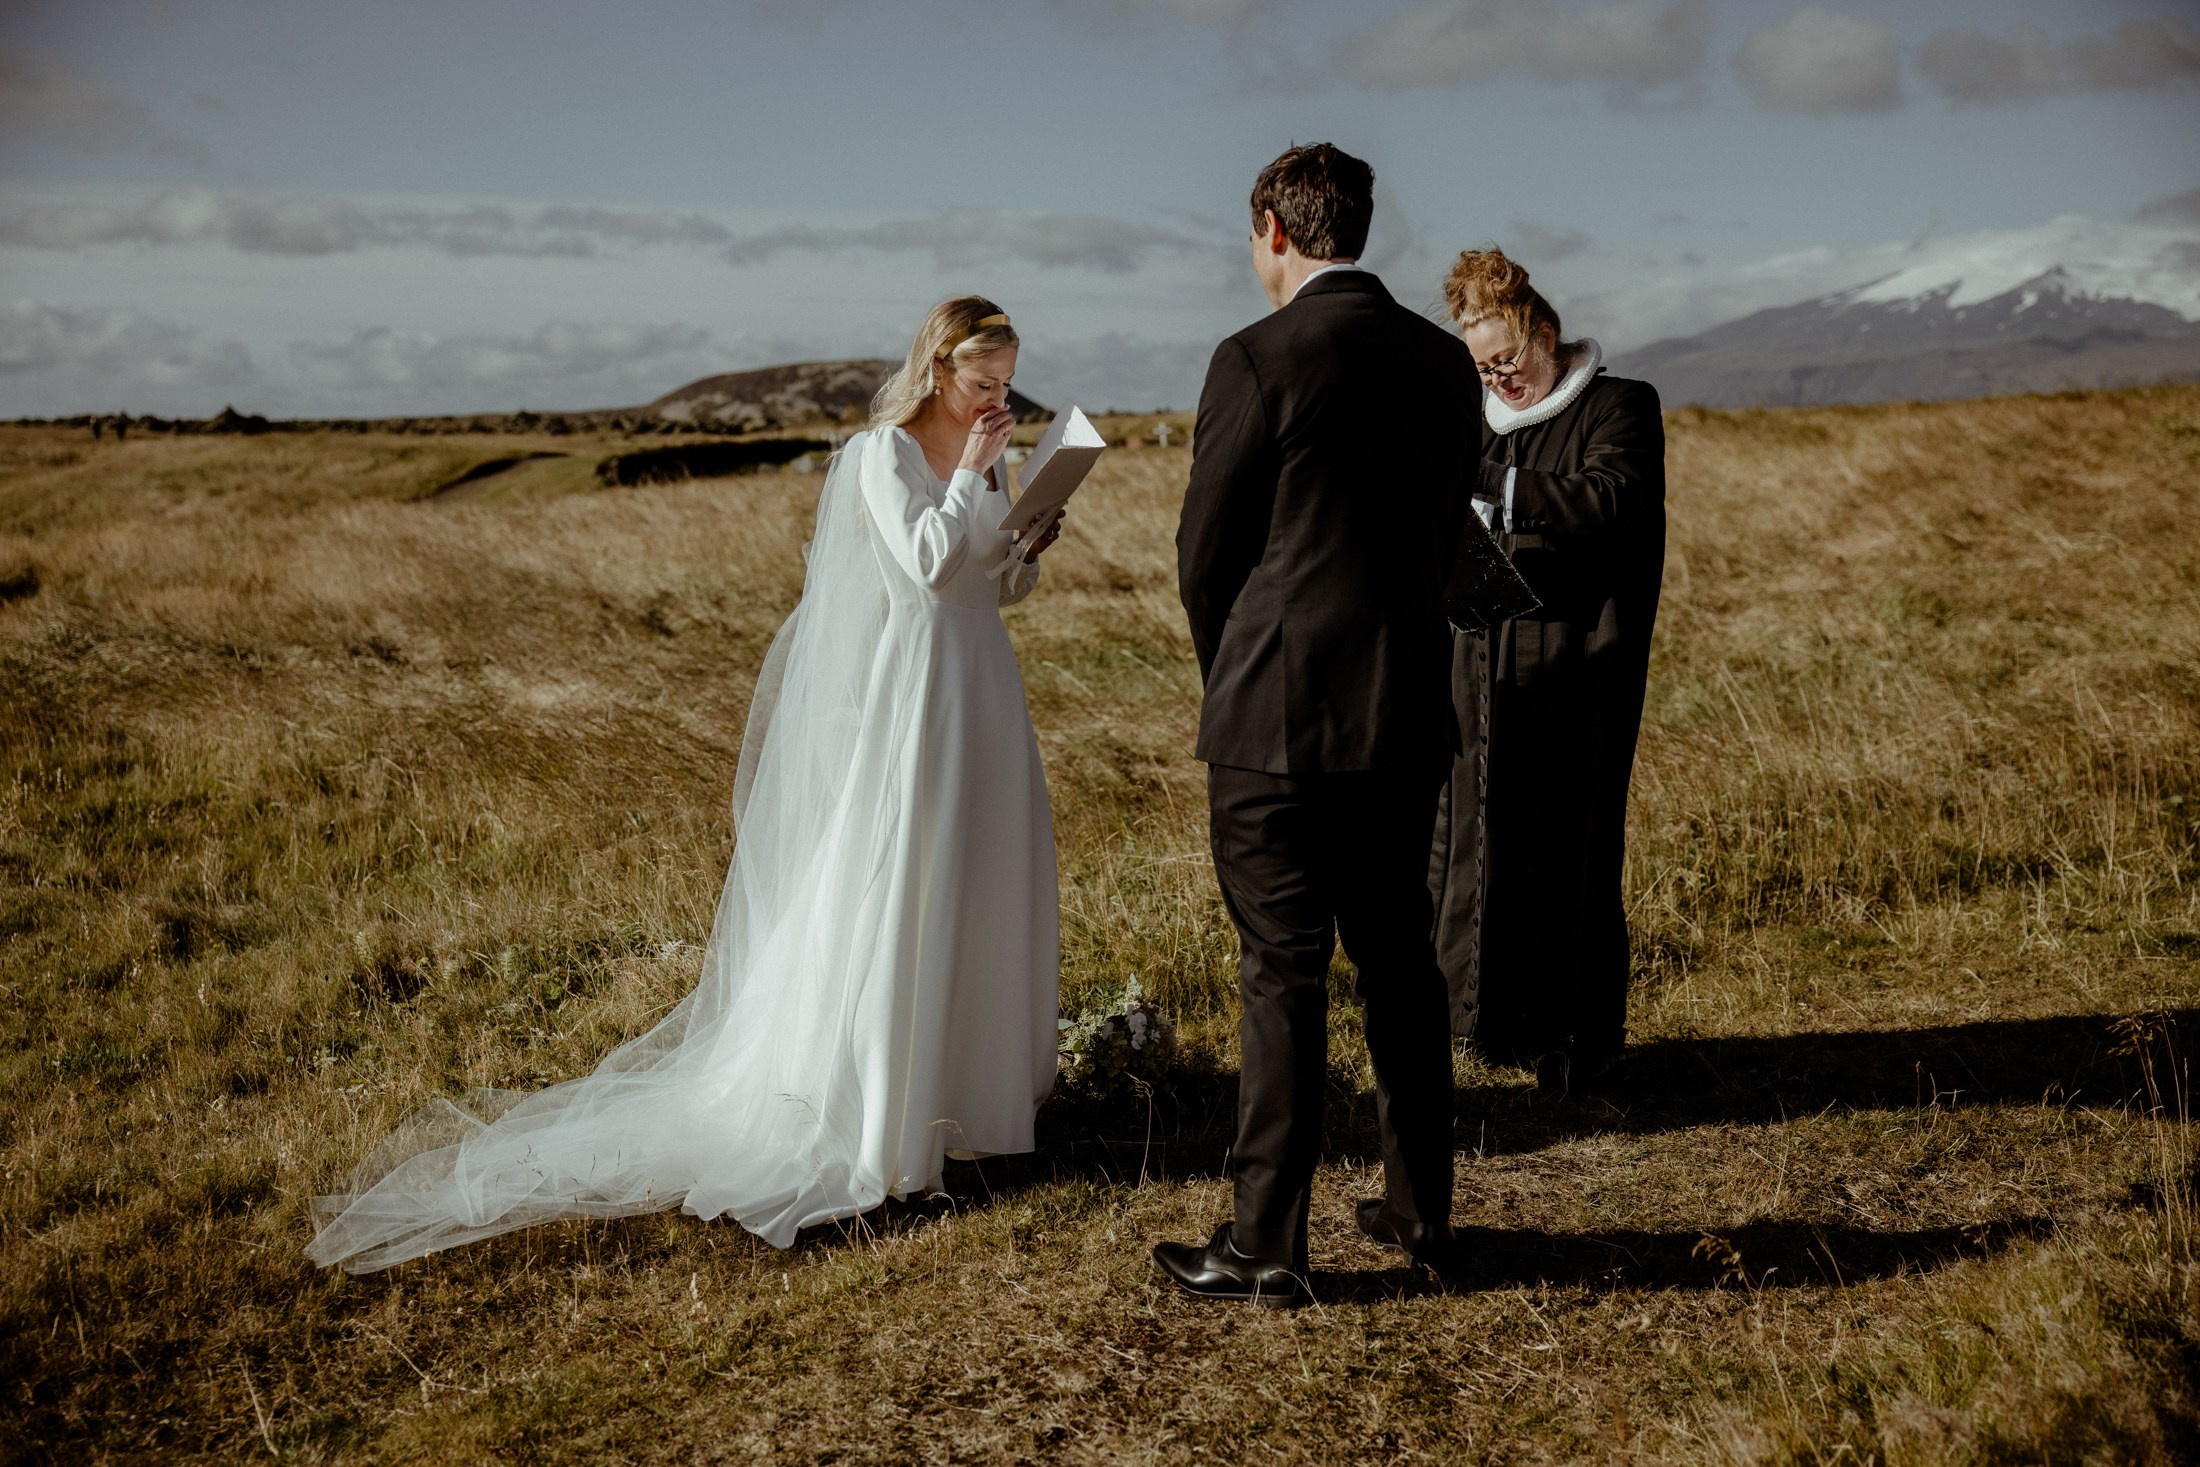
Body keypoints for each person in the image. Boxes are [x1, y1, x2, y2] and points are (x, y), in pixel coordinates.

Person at [308, 297, 1066, 1273]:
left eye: (1006, 385)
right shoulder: (878, 456)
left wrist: (1025, 547)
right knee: (899, 882)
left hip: (981, 687)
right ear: (936, 372)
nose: (996, 402)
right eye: (980, 385)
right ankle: (877, 1125)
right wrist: (971, 478)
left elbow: (986, 583)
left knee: (976, 879)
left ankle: (961, 1098)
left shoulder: (984, 457)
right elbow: (923, 569)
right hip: (915, 696)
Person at [1153, 143, 1493, 1308]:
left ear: (1272, 228)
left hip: (1275, 721)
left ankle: (1266, 1242)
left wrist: (1233, 675)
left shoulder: (1254, 358)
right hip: (1404, 706)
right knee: (1400, 962)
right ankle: (1420, 1210)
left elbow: (1206, 556)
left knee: (1280, 973)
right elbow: (1450, 535)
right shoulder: (1447, 364)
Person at [1427, 248, 1666, 1097]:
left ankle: (1577, 1035)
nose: (1501, 378)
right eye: (1483, 366)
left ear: (1547, 333)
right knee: (1474, 831)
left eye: (1510, 359)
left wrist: (1492, 477)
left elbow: (1608, 500)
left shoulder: (1620, 405)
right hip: (1478, 663)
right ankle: (1482, 1020)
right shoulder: (1474, 416)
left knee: (1570, 835)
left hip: (1579, 666)